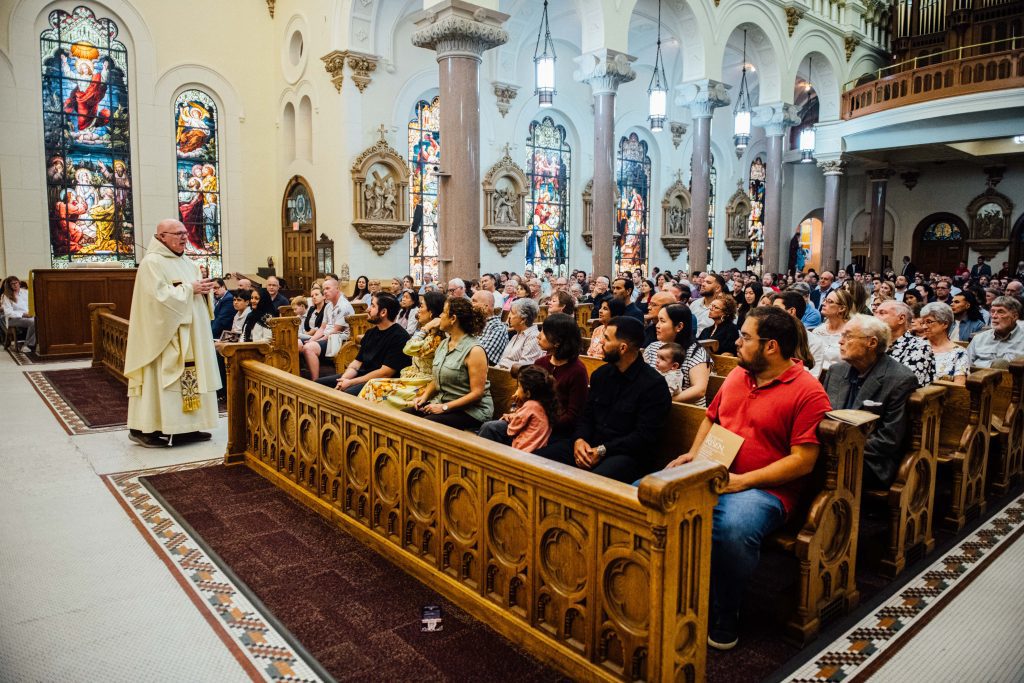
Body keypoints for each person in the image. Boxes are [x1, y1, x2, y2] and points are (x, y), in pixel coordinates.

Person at [664, 306, 831, 650]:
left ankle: (725, 611)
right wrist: (694, 455)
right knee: (645, 493)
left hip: (767, 491)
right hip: (715, 471)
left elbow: (803, 462)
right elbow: (711, 418)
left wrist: (743, 481)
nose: (738, 342)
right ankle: (666, 593)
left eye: (745, 337)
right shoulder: (739, 375)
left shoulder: (809, 391)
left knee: (732, 529)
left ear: (771, 346)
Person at [123, 219, 220, 448]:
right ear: (161, 237)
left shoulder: (188, 263)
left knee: (191, 380)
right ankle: (144, 429)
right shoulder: (152, 263)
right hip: (165, 337)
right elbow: (156, 299)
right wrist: (190, 289)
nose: (184, 237)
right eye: (177, 233)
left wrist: (204, 291)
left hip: (191, 335)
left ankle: (185, 428)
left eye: (185, 232)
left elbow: (195, 293)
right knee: (158, 381)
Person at [540, 316, 670, 482]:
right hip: (592, 446)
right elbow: (586, 417)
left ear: (622, 348)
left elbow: (644, 437)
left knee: (593, 482)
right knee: (536, 460)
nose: (601, 342)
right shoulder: (601, 375)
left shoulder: (653, 385)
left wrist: (603, 450)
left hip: (626, 455)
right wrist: (579, 440)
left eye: (607, 339)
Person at [822, 314, 918, 490]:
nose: (840, 342)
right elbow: (822, 416)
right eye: (842, 335)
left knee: (815, 470)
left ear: (872, 343)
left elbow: (888, 440)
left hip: (872, 462)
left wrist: (838, 450)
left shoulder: (900, 379)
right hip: (830, 451)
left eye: (848, 336)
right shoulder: (836, 371)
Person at [409, 297, 493, 429]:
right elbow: (437, 378)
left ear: (453, 319)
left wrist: (444, 407)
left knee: (425, 425)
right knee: (404, 416)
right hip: (445, 402)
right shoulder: (444, 344)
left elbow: (477, 393)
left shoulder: (474, 350)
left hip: (471, 411)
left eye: (443, 312)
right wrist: (424, 397)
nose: (440, 316)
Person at [360, 290, 446, 407]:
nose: (418, 310)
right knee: (372, 385)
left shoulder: (436, 337)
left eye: (421, 306)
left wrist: (425, 328)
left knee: (376, 389)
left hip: (425, 384)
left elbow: (408, 348)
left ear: (431, 312)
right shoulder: (429, 333)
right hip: (414, 379)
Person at [316, 293, 412, 395]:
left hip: (382, 383)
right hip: (362, 377)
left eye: (373, 306)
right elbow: (356, 364)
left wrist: (351, 382)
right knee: (318, 384)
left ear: (383, 312)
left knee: (346, 394)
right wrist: (343, 380)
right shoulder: (370, 333)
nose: (368, 309)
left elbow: (385, 373)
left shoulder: (400, 337)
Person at [478, 365, 557, 454]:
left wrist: (509, 418)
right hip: (535, 450)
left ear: (528, 393)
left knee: (489, 428)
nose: (517, 389)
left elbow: (512, 430)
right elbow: (524, 418)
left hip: (521, 449)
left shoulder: (530, 405)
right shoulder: (544, 405)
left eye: (519, 387)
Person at [645, 304, 713, 407]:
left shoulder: (696, 353)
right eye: (658, 320)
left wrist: (663, 401)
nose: (657, 325)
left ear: (679, 326)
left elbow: (699, 390)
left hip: (685, 412)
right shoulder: (653, 347)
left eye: (662, 321)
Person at [301, 277, 353, 381]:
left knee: (308, 348)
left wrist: (318, 340)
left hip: (338, 339)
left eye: (328, 288)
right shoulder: (328, 306)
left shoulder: (344, 306)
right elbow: (322, 328)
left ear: (337, 289)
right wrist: (312, 339)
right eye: (324, 289)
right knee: (297, 343)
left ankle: (315, 381)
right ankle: (300, 377)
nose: (325, 291)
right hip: (327, 337)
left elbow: (336, 330)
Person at [875, 300, 935, 387]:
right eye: (875, 312)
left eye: (882, 313)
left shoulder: (919, 347)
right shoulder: (874, 343)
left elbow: (906, 384)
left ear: (901, 319)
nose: (875, 317)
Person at [919, 302, 969, 385]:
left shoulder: (959, 353)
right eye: (923, 323)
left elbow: (958, 386)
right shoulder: (916, 346)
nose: (924, 327)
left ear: (945, 324)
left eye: (929, 322)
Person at [967, 296, 1024, 367]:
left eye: (1000, 312)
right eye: (992, 311)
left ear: (1014, 316)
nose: (994, 316)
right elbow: (964, 365)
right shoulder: (979, 339)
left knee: (1001, 363)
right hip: (977, 373)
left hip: (1011, 374)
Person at [809, 287, 854, 376]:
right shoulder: (818, 330)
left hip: (839, 377)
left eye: (829, 302)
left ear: (842, 308)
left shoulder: (851, 333)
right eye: (825, 300)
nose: (823, 303)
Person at [497, 298, 544, 370]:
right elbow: (503, 360)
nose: (509, 316)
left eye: (512, 313)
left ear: (523, 319)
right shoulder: (516, 335)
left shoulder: (533, 337)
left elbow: (524, 368)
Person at [471, 290, 509, 365]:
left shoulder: (498, 328)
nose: (470, 305)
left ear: (486, 306)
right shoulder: (473, 323)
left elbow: (482, 357)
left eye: (474, 301)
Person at [1, 276, 36, 352]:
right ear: (9, 285)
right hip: (13, 319)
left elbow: (33, 304)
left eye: (16, 283)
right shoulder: (6, 296)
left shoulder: (26, 292)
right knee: (33, 322)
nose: (15, 285)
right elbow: (8, 313)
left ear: (19, 283)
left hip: (29, 316)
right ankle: (27, 345)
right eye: (12, 284)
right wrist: (23, 314)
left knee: (42, 321)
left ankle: (39, 343)